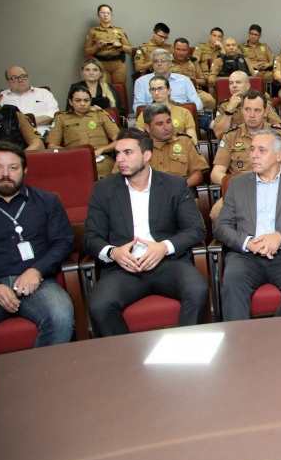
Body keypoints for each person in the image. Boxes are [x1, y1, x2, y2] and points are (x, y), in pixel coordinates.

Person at [82, 128, 209, 337]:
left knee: (197, 290)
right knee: (99, 304)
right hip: (124, 268)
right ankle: (127, 360)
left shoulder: (174, 185)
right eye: (118, 153)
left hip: (167, 263)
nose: (120, 159)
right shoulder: (103, 189)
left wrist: (163, 247)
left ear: (147, 155)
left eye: (128, 153)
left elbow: (196, 229)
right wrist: (114, 252)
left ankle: (187, 351)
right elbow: (90, 237)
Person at [0, 141, 75, 352]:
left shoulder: (47, 201)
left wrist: (37, 270)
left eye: (13, 167)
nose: (5, 174)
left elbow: (64, 242)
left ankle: (41, 378)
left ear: (24, 170)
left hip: (39, 282)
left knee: (61, 317)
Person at [213, 129, 281, 320]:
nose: (254, 155)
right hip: (246, 256)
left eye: (261, 150)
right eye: (252, 149)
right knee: (232, 290)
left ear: (279, 155)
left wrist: (279, 237)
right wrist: (247, 242)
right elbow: (221, 226)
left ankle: (271, 338)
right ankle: (241, 345)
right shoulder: (237, 184)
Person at [210, 90, 281, 220]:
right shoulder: (230, 136)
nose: (251, 115)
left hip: (273, 188)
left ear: (265, 112)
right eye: (247, 109)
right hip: (240, 190)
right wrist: (238, 184)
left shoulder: (279, 134)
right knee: (216, 214)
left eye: (257, 110)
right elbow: (216, 173)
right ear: (241, 110)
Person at [45, 84, 119, 178]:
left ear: (90, 101)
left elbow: (119, 141)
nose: (83, 103)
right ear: (70, 102)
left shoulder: (100, 115)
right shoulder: (61, 118)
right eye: (78, 100)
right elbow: (51, 146)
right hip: (73, 159)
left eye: (86, 100)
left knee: (99, 175)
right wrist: (72, 154)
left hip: (101, 158)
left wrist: (101, 150)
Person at [140, 102, 208, 188]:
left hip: (180, 193)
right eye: (159, 124)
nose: (166, 127)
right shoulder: (138, 147)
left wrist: (178, 189)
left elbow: (198, 174)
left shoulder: (185, 141)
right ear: (147, 127)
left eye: (168, 122)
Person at [0, 77, 44, 152]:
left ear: (0, 97)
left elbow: (38, 143)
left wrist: (19, 158)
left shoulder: (14, 114)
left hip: (12, 161)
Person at [212, 71, 281, 139]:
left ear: (247, 86)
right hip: (236, 146)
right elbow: (219, 134)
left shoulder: (263, 103)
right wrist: (229, 109)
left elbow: (278, 130)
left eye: (238, 82)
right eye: (231, 83)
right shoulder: (224, 107)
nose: (234, 86)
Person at [133, 50, 204, 113]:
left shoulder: (184, 80)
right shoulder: (141, 82)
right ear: (152, 64)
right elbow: (137, 107)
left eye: (163, 60)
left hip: (181, 114)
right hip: (155, 116)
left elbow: (198, 104)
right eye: (156, 61)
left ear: (170, 63)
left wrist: (180, 109)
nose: (159, 64)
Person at [135, 75, 198, 144]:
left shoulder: (184, 112)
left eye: (160, 88)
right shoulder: (145, 114)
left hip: (180, 150)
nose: (156, 93)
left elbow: (193, 141)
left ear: (169, 91)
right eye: (153, 89)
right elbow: (138, 140)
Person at [1, 66, 60, 135]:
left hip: (42, 133)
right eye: (14, 78)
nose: (20, 80)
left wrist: (26, 122)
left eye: (23, 76)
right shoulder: (1, 97)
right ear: (7, 81)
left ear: (28, 77)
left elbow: (54, 115)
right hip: (14, 135)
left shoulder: (44, 93)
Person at [83, 4, 131, 86]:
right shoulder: (93, 31)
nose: (105, 15)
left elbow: (129, 50)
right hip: (102, 64)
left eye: (108, 13)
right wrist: (97, 46)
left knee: (120, 89)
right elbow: (87, 52)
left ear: (111, 15)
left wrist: (120, 45)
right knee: (105, 90)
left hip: (118, 65)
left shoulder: (119, 30)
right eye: (102, 13)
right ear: (98, 15)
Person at [170, 38, 217, 111]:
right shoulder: (167, 62)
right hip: (175, 91)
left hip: (194, 91)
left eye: (184, 50)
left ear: (188, 50)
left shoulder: (193, 61)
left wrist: (189, 81)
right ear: (173, 49)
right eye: (178, 49)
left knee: (210, 100)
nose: (181, 52)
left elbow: (203, 81)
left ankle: (204, 121)